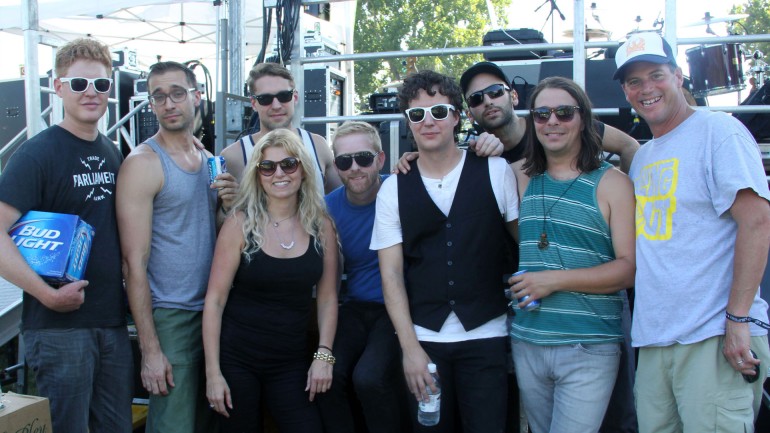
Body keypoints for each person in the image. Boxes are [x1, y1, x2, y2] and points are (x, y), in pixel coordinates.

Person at [614, 31, 770, 432]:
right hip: (655, 341)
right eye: (634, 81)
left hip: (713, 337)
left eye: (656, 75)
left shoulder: (719, 131)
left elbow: (757, 221)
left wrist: (737, 321)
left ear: (679, 76)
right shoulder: (644, 157)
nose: (646, 88)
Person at [371, 70, 519, 433]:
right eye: (417, 115)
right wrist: (410, 349)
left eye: (439, 111)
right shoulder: (392, 189)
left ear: (456, 115)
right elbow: (390, 275)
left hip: (486, 335)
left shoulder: (496, 171)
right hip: (425, 342)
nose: (428, 122)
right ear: (408, 122)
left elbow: (523, 245)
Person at [0, 37, 133, 433]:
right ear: (58, 88)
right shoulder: (37, 153)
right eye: (78, 84)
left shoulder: (112, 151)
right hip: (59, 328)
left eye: (101, 84)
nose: (91, 93)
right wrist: (46, 294)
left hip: (111, 323)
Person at [507, 76, 636, 433]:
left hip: (589, 344)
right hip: (529, 340)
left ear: (583, 119)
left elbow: (628, 270)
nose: (552, 122)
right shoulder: (518, 176)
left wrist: (552, 281)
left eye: (564, 112)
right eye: (542, 113)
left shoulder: (613, 183)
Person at [202, 129, 338, 432]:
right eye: (268, 166)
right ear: (258, 175)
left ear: (302, 170)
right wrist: (213, 374)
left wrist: (324, 355)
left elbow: (328, 297)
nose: (279, 173)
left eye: (289, 164)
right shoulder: (239, 223)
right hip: (236, 359)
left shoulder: (322, 225)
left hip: (289, 361)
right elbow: (215, 300)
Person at [117, 61, 216, 433]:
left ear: (196, 96)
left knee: (208, 422)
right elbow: (133, 264)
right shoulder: (143, 163)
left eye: (177, 93)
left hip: (212, 313)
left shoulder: (207, 158)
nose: (169, 103)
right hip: (172, 315)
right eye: (159, 96)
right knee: (174, 426)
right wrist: (151, 349)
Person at [317, 121, 404, 433]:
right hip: (355, 308)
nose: (354, 168)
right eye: (344, 161)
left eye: (364, 159)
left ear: (380, 160)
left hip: (396, 309)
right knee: (325, 378)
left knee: (369, 378)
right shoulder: (328, 208)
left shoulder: (400, 193)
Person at [458, 61, 639, 173]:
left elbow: (629, 146)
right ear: (469, 114)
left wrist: (627, 201)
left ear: (514, 96)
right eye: (476, 98)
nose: (488, 101)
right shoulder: (476, 155)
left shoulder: (552, 124)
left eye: (495, 91)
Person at [215, 62, 342, 214]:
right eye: (265, 99)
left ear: (295, 97)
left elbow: (344, 203)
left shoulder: (318, 145)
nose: (276, 105)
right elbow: (217, 225)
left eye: (283, 96)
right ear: (254, 103)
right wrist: (227, 207)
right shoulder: (233, 156)